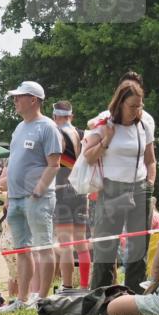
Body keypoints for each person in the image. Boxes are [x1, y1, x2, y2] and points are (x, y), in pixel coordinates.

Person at [83, 80, 157, 293]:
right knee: (105, 247)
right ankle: (100, 297)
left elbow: (151, 160)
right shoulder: (106, 123)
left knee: (138, 249)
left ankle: (134, 296)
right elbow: (88, 157)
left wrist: (150, 184)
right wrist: (106, 139)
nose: (137, 110)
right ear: (120, 103)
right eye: (133, 106)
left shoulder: (145, 125)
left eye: (140, 105)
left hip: (140, 188)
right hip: (111, 189)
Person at [0, 81, 62, 312]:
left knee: (43, 248)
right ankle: (22, 300)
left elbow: (54, 164)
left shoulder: (48, 127)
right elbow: (14, 162)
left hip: (37, 198)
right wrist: (5, 187)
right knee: (22, 249)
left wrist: (39, 190)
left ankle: (42, 299)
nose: (15, 100)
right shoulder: (19, 127)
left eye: (19, 96)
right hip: (15, 198)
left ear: (33, 100)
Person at [52, 100, 91, 289]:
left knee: (65, 243)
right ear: (71, 116)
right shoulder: (82, 134)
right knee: (81, 242)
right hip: (81, 191)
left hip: (61, 190)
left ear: (54, 116)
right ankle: (84, 285)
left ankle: (67, 286)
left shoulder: (55, 133)